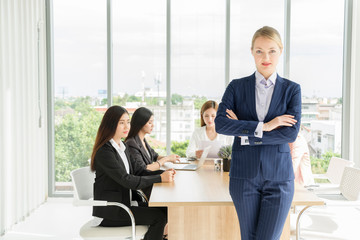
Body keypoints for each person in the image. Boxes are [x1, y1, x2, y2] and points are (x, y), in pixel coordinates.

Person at [215, 26, 301, 240]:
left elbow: (289, 135)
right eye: (260, 51)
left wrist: (245, 134)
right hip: (244, 176)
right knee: (248, 237)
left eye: (272, 50)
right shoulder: (236, 87)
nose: (266, 57)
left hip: (279, 179)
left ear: (280, 51)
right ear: (252, 52)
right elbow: (220, 125)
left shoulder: (292, 90)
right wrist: (266, 126)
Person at [90, 105, 175, 240]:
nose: (126, 127)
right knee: (158, 218)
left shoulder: (122, 147)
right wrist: (159, 178)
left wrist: (165, 174)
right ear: (111, 125)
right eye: (121, 123)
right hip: (112, 211)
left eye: (128, 122)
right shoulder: (105, 152)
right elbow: (127, 180)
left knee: (166, 209)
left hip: (126, 203)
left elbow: (140, 171)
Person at [125, 107, 179, 198]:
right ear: (140, 123)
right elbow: (145, 169)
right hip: (146, 186)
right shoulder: (131, 143)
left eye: (152, 122)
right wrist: (166, 159)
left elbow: (155, 156)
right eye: (150, 123)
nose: (152, 125)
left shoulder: (142, 140)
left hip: (152, 182)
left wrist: (170, 158)